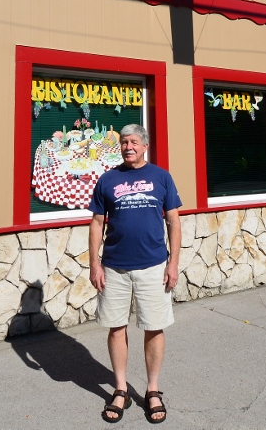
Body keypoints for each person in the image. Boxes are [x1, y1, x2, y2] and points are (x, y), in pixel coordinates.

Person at [88, 123, 182, 424]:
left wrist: (173, 263)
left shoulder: (161, 177)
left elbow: (174, 222)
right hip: (114, 267)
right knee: (116, 327)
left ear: (144, 146)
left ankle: (152, 390)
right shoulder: (107, 179)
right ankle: (120, 389)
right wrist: (94, 264)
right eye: (124, 142)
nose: (128, 147)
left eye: (133, 142)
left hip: (154, 265)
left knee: (154, 327)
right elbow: (96, 224)